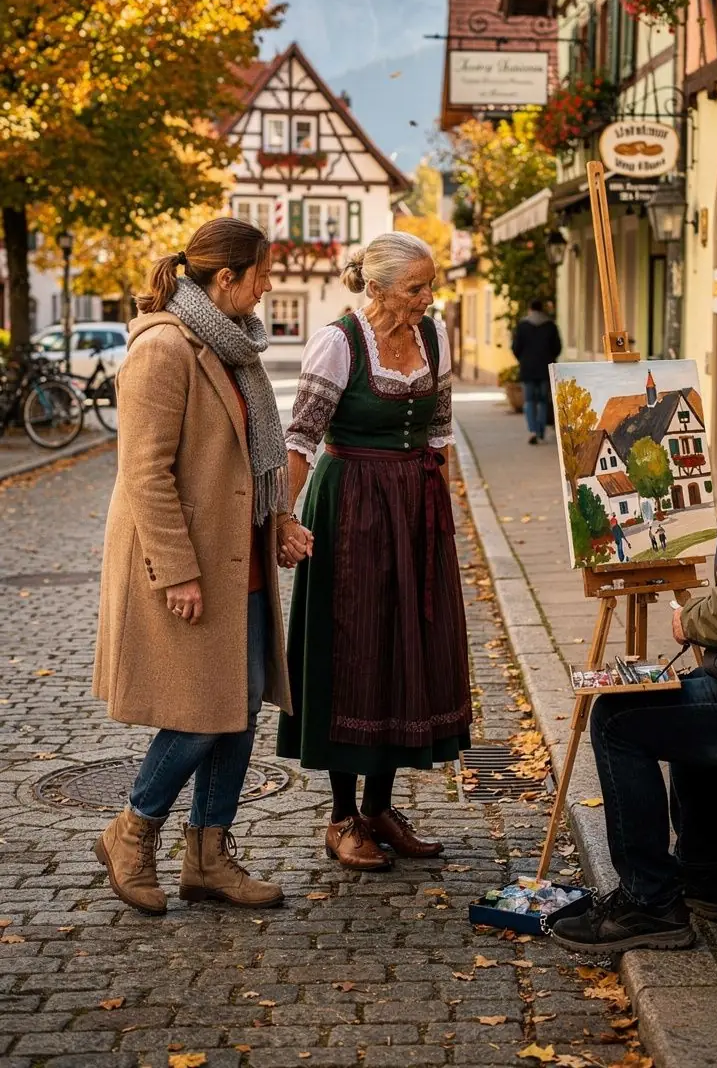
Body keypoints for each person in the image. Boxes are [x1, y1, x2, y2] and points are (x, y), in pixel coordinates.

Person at [552, 348, 717, 955]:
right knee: (683, 697)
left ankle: (650, 903)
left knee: (619, 719)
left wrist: (686, 620)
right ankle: (702, 875)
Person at [93, 218, 312, 916]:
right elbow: (145, 474)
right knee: (199, 713)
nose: (269, 283)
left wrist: (279, 519)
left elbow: (251, 456)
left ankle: (208, 857)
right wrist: (177, 571)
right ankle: (132, 830)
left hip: (237, 557)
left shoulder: (232, 348)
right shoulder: (165, 348)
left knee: (238, 709)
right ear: (226, 280)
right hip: (188, 564)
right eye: (261, 273)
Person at [277, 231, 473, 870]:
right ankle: (342, 818)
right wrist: (282, 516)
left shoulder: (435, 337)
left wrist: (439, 518)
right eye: (416, 286)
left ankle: (382, 807)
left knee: (406, 646)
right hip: (354, 506)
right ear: (379, 286)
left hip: (415, 506)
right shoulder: (339, 342)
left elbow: (440, 430)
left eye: (430, 284)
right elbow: (301, 440)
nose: (427, 297)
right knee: (355, 648)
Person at [511, 298, 562, 445]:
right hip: (545, 369)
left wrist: (523, 359)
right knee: (543, 401)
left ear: (530, 309)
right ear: (542, 309)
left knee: (529, 401)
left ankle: (532, 430)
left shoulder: (522, 326)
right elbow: (557, 348)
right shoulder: (551, 326)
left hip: (528, 369)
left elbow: (515, 348)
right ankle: (541, 431)